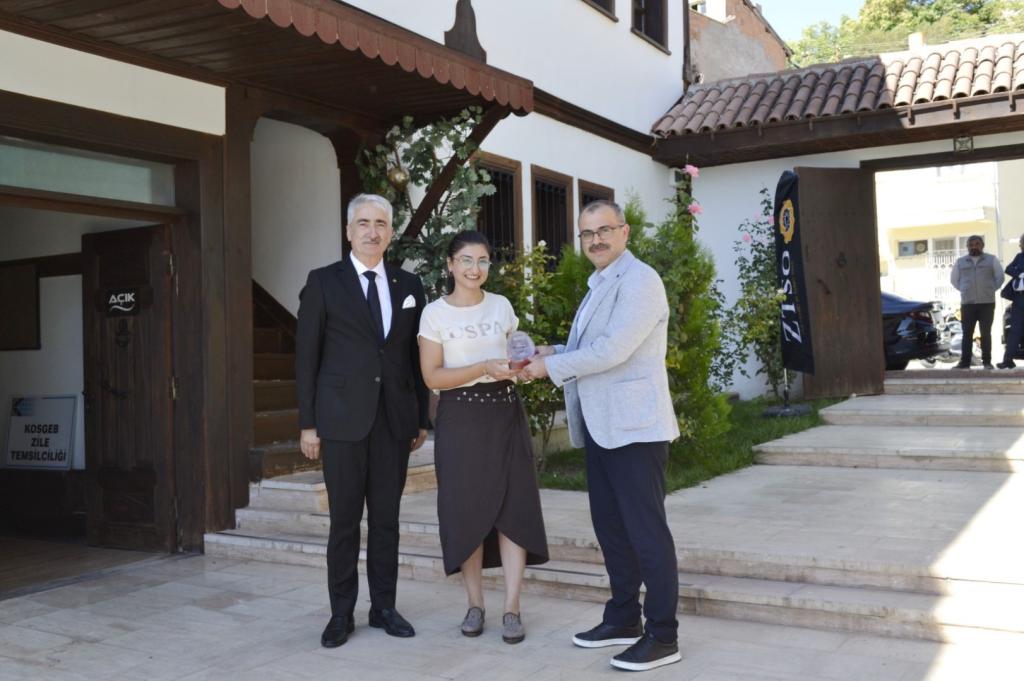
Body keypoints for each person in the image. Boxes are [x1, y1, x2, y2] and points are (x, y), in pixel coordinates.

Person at [520, 200, 681, 672]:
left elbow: (613, 350)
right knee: (611, 528)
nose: (596, 240)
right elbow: (590, 347)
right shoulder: (601, 282)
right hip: (602, 427)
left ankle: (663, 635)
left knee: (646, 533)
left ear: (624, 232)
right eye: (587, 233)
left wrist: (548, 368)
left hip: (635, 429)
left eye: (604, 230)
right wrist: (549, 350)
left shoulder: (640, 280)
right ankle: (624, 618)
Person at [295, 193, 430, 648]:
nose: (373, 232)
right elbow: (306, 357)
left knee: (387, 521)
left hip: (395, 422)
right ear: (349, 231)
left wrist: (421, 417)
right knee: (345, 523)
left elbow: (414, 356)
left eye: (381, 224)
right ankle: (340, 614)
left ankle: (384, 607)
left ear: (391, 232)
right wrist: (308, 424)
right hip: (340, 422)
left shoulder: (409, 285)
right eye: (364, 223)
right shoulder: (323, 282)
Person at [417, 230, 548, 645]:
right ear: (451, 265)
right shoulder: (434, 314)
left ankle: (512, 608)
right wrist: (482, 368)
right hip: (460, 418)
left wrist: (523, 367)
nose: (475, 269)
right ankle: (475, 604)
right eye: (467, 260)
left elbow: (514, 357)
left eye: (483, 261)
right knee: (466, 511)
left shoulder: (501, 306)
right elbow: (432, 377)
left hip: (505, 413)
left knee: (514, 509)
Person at [950, 235, 1003, 370]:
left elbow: (1000, 277)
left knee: (986, 333)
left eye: (977, 244)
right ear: (967, 247)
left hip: (987, 303)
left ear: (982, 245)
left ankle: (987, 362)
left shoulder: (992, 260)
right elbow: (954, 280)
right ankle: (965, 362)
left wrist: (989, 290)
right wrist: (965, 290)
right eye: (971, 245)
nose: (974, 247)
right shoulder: (960, 262)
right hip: (968, 304)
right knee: (967, 333)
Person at [998, 234, 1024, 369]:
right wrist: (1019, 274)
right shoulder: (1020, 256)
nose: (1020, 245)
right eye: (1020, 242)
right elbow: (1008, 268)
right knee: (1015, 331)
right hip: (1019, 300)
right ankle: (1008, 360)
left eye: (1021, 242)